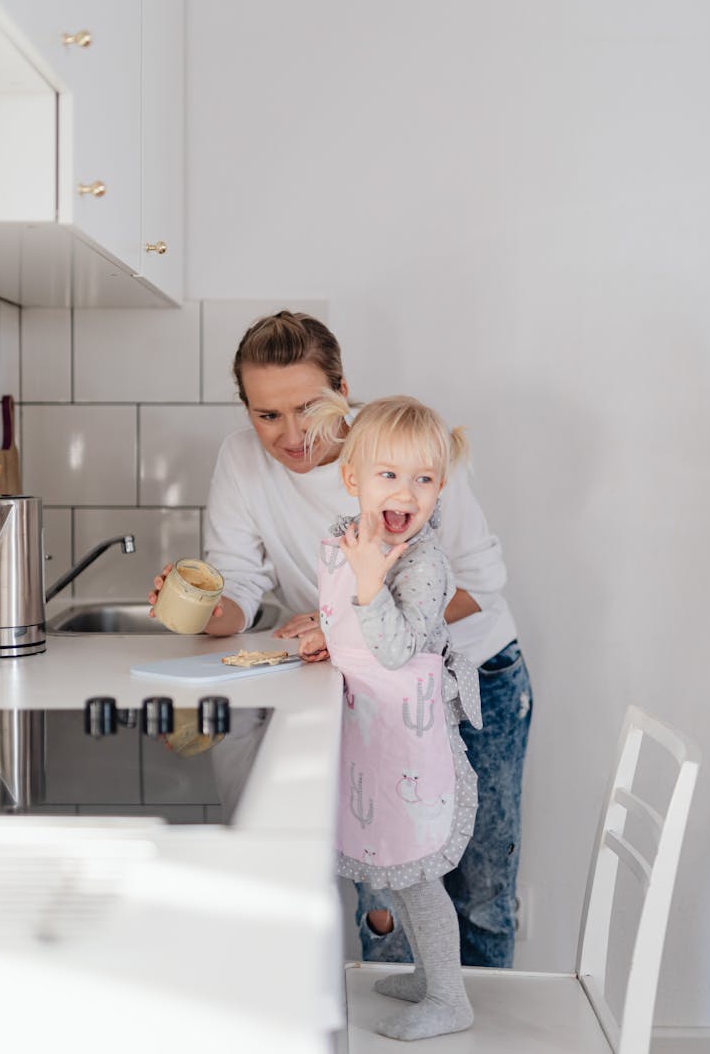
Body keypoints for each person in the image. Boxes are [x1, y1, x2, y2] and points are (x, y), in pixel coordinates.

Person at [149, 310, 532, 969]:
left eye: (307, 407)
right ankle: (390, 1022)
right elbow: (240, 587)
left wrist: (335, 626)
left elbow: (480, 586)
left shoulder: (406, 450)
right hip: (373, 691)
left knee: (479, 887)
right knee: (380, 882)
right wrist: (196, 609)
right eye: (268, 415)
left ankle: (471, 1027)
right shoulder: (242, 461)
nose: (292, 434)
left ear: (343, 390)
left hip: (475, 679)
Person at [294, 391, 481, 1040]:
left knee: (422, 874)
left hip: (413, 741)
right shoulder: (355, 539)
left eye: (424, 479)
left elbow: (399, 646)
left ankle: (451, 997)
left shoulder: (423, 561)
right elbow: (354, 625)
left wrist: (370, 584)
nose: (408, 492)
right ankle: (430, 975)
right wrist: (331, 635)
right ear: (354, 479)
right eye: (390, 475)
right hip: (376, 731)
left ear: (440, 488)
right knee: (397, 869)